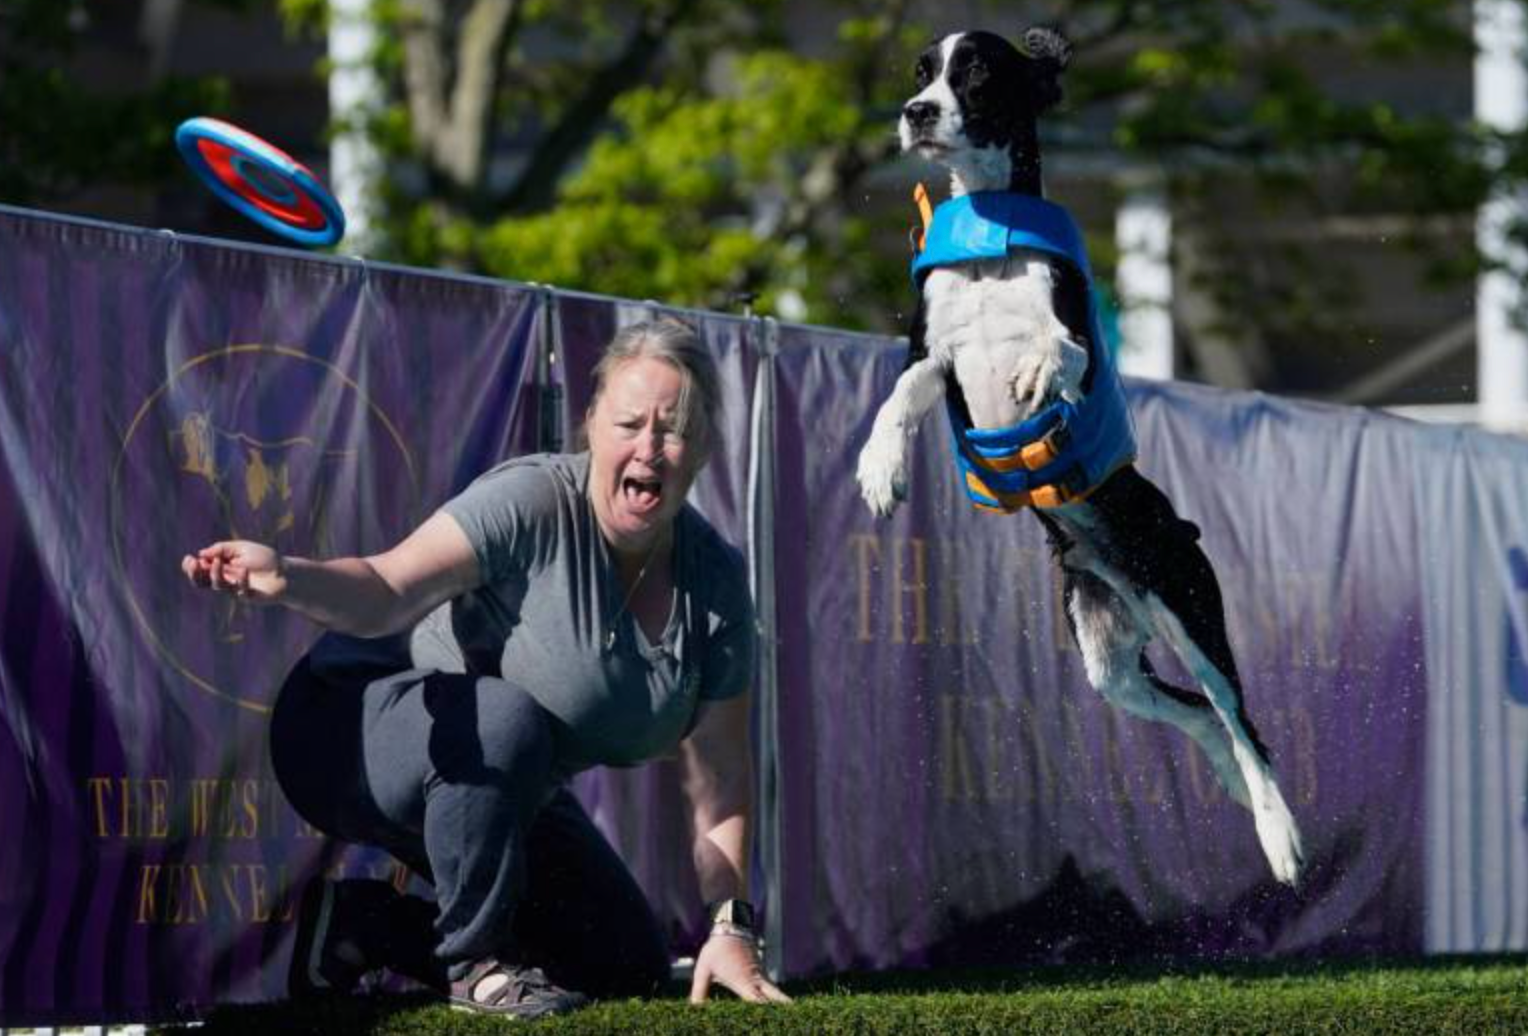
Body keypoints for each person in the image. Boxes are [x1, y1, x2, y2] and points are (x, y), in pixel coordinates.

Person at [181, 317, 789, 1018]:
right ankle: (477, 965)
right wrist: (288, 574)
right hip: (342, 726)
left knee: (624, 961)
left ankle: (362, 926)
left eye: (674, 428)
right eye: (630, 423)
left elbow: (721, 774)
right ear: (591, 424)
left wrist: (729, 926)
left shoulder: (714, 584)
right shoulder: (532, 501)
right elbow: (385, 589)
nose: (649, 447)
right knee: (506, 716)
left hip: (501, 780)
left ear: (705, 446)